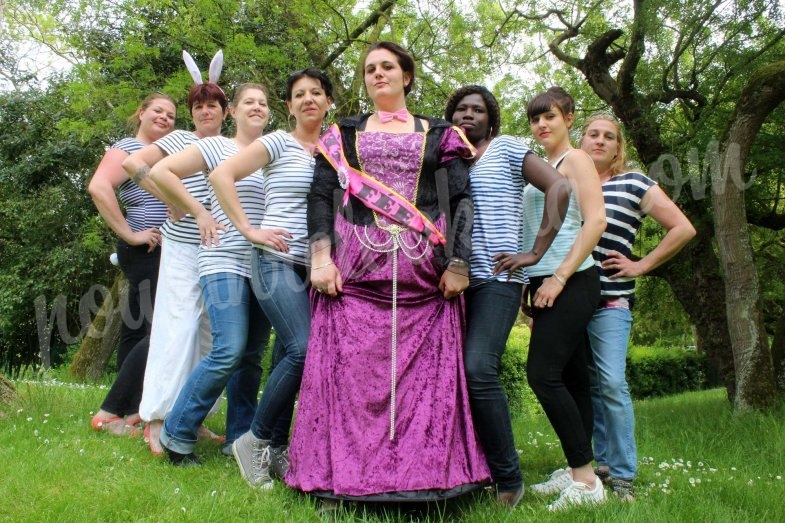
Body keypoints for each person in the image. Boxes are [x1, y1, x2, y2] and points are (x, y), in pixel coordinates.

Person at [285, 42, 490, 505]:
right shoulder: (342, 134)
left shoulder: (442, 134)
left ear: (407, 75)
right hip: (355, 272)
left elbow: (460, 200)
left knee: (428, 380)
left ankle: (425, 479)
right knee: (353, 374)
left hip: (426, 276)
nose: (378, 74)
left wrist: (459, 263)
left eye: (387, 67)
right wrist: (320, 258)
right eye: (370, 69)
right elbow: (320, 197)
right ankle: (344, 478)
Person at [207, 68, 333, 486]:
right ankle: (253, 439)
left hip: (313, 269)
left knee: (286, 356)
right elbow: (221, 175)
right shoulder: (278, 141)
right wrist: (248, 229)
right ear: (289, 106)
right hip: (274, 260)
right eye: (299, 94)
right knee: (303, 349)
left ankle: (276, 447)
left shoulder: (336, 150)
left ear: (329, 102)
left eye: (317, 93)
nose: (308, 99)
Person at [444, 85, 569, 507]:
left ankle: (509, 479)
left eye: (477, 110)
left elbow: (559, 188)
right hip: (452, 283)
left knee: (479, 368)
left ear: (491, 119)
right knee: (453, 374)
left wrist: (534, 253)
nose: (468, 115)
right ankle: (470, 470)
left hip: (497, 280)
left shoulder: (507, 149)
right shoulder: (447, 160)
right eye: (460, 109)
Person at [148, 83, 276, 465]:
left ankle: (239, 438)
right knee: (228, 349)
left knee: (251, 356)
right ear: (232, 111)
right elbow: (162, 171)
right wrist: (199, 211)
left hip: (263, 264)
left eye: (263, 103)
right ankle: (176, 431)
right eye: (248, 102)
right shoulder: (216, 146)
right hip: (222, 260)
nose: (256, 107)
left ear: (270, 112)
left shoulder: (273, 153)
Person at [579, 113, 695, 500]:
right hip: (569, 302)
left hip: (611, 300)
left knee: (612, 382)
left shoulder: (634, 183)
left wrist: (641, 264)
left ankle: (624, 472)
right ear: (581, 140)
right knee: (589, 386)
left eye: (608, 136)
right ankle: (601, 463)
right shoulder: (566, 182)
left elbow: (683, 227)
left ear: (618, 146)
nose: (600, 141)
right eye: (593, 134)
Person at [122, 56, 228, 455]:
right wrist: (170, 198)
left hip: (217, 250)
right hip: (183, 247)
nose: (205, 111)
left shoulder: (230, 147)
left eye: (212, 105)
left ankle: (191, 418)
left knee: (207, 336)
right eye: (198, 106)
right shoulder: (180, 139)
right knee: (177, 329)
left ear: (224, 112)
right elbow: (134, 163)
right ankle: (156, 418)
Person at [515, 87, 607, 511]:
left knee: (542, 375)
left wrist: (558, 277)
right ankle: (577, 470)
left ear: (569, 119)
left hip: (574, 280)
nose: (541, 125)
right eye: (535, 119)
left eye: (549, 116)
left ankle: (587, 483)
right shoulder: (544, 166)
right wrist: (529, 282)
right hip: (544, 281)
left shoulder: (577, 160)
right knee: (572, 379)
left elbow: (595, 222)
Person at [87, 93, 176, 435]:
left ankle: (130, 411)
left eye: (170, 115)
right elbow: (99, 187)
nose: (164, 117)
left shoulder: (163, 152)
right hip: (145, 248)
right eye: (158, 111)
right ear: (141, 113)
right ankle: (112, 411)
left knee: (136, 328)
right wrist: (130, 234)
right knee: (157, 330)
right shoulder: (128, 147)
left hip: (158, 250)